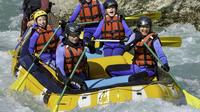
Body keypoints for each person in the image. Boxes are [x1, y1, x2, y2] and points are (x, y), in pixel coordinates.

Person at [106, 16, 170, 82]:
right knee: (109, 70)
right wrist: (135, 41)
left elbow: (160, 54)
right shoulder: (134, 36)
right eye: (142, 27)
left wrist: (165, 63)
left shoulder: (154, 39)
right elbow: (125, 49)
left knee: (133, 79)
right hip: (136, 67)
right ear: (138, 27)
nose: (144, 29)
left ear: (150, 28)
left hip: (149, 69)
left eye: (146, 27)